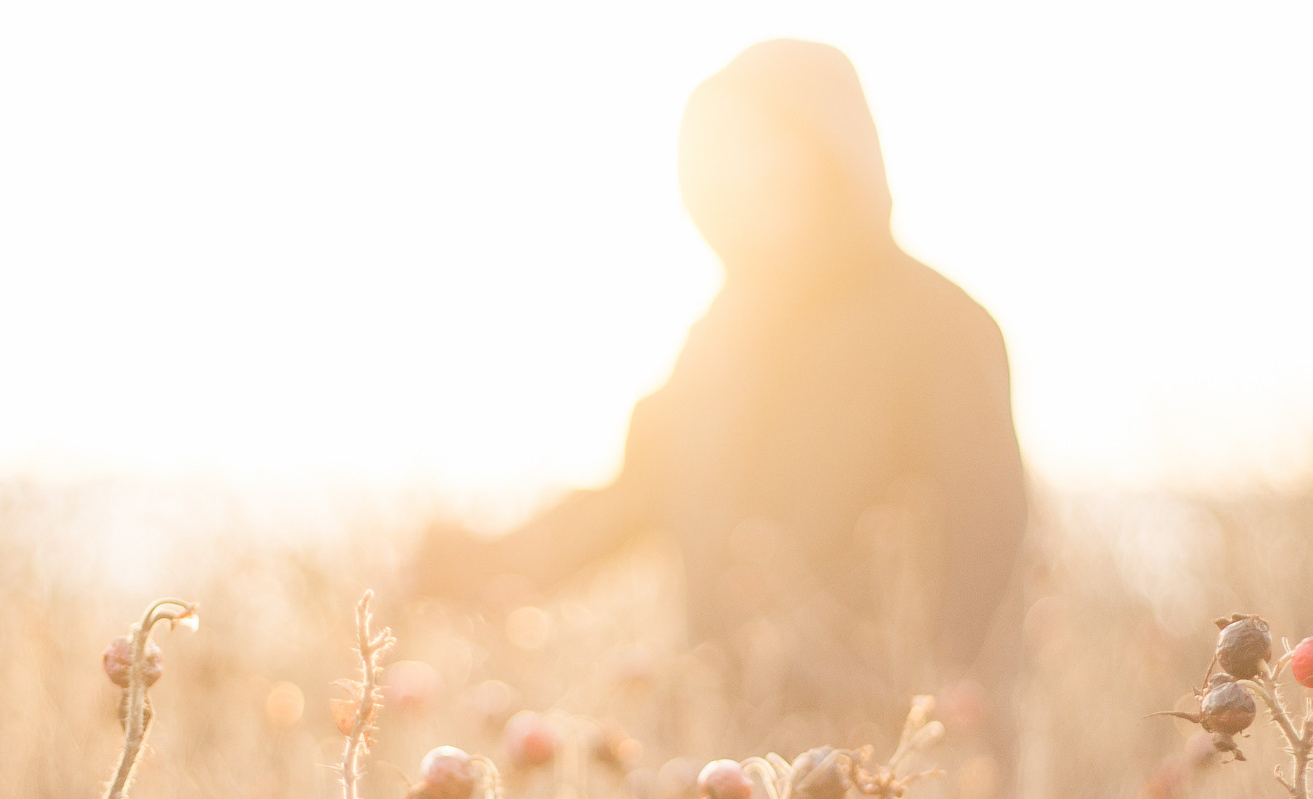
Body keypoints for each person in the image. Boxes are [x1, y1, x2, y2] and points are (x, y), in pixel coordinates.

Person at [418, 39, 1029, 709]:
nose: (753, 169)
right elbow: (632, 494)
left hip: (888, 753)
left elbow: (989, 538)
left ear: (836, 152)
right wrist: (477, 566)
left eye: (777, 142)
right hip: (736, 757)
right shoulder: (720, 338)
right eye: (730, 147)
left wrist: (923, 720)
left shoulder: (938, 323)